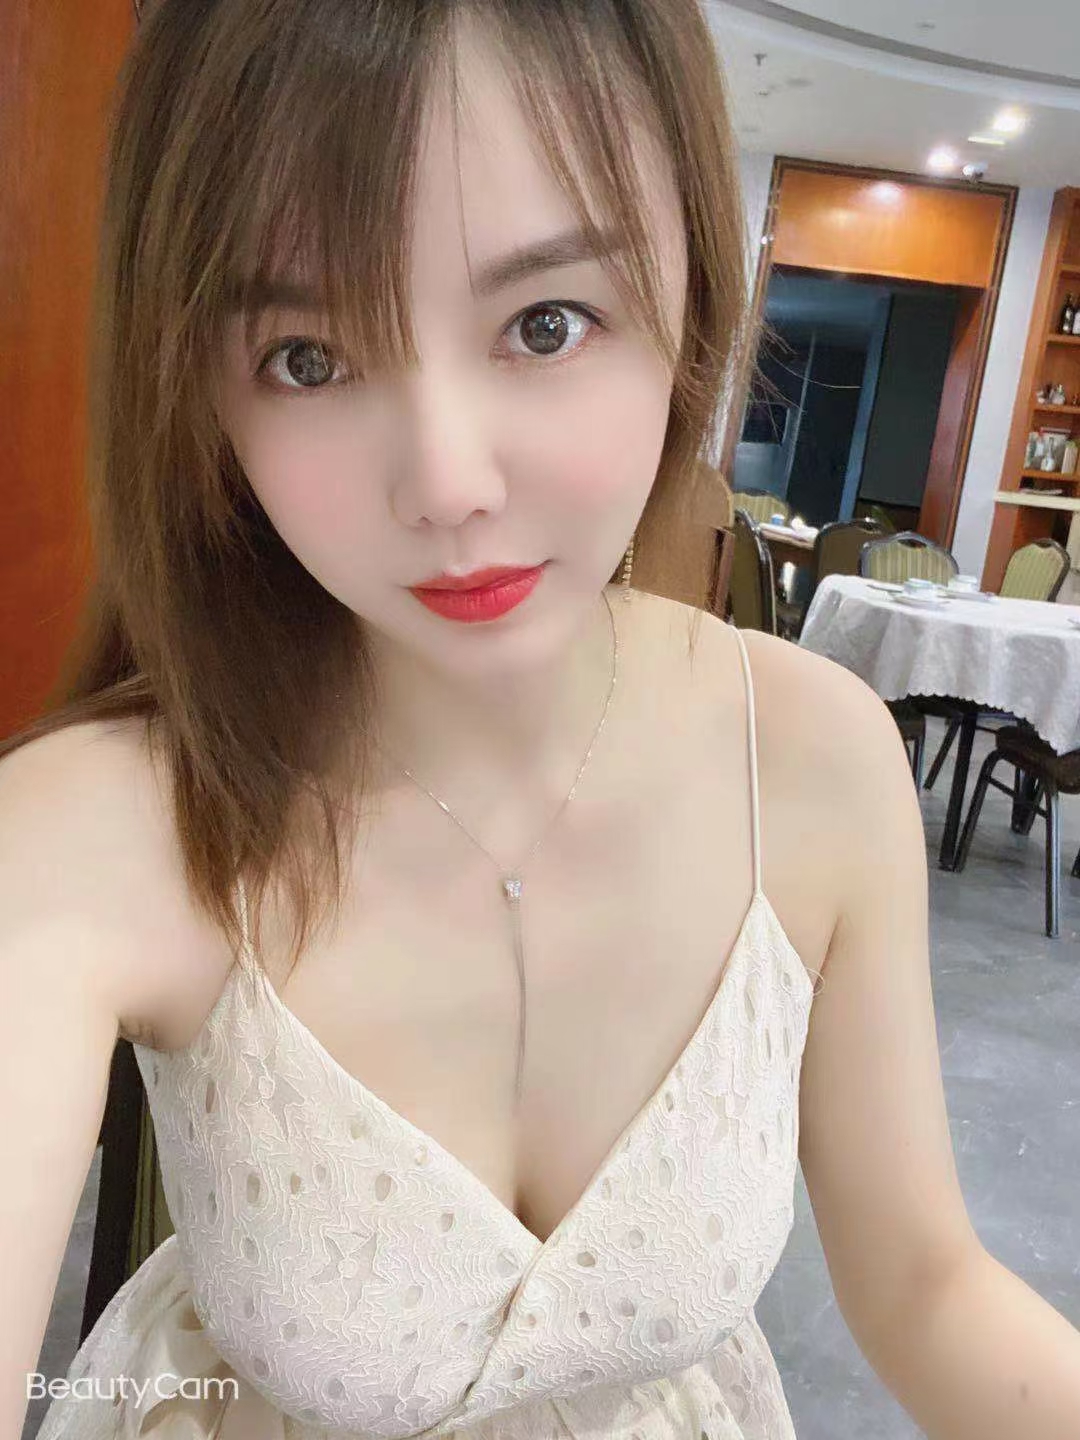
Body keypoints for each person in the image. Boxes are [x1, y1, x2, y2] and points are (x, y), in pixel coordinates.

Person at [3, 1, 1080, 1437]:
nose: (448, 484)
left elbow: (928, 1285)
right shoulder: (105, 829)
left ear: (691, 299)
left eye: (544, 323)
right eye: (308, 358)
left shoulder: (810, 760)